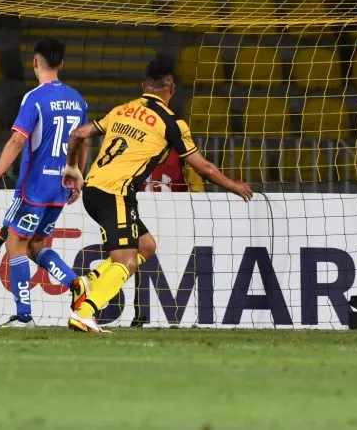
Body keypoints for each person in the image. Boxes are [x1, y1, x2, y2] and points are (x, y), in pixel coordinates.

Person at [62, 56, 254, 333]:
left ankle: (89, 282)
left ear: (143, 86)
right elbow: (204, 167)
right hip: (115, 193)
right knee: (126, 260)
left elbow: (78, 134)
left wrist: (72, 168)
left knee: (146, 246)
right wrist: (234, 186)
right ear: (171, 88)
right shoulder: (172, 122)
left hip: (95, 188)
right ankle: (85, 312)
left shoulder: (121, 110)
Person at [0, 38, 88, 327]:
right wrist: (78, 175)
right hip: (61, 186)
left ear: (35, 62)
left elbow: (17, 140)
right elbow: (83, 139)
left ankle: (23, 315)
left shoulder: (35, 98)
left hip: (35, 187)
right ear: (62, 64)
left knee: (16, 244)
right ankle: (75, 281)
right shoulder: (79, 100)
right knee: (35, 244)